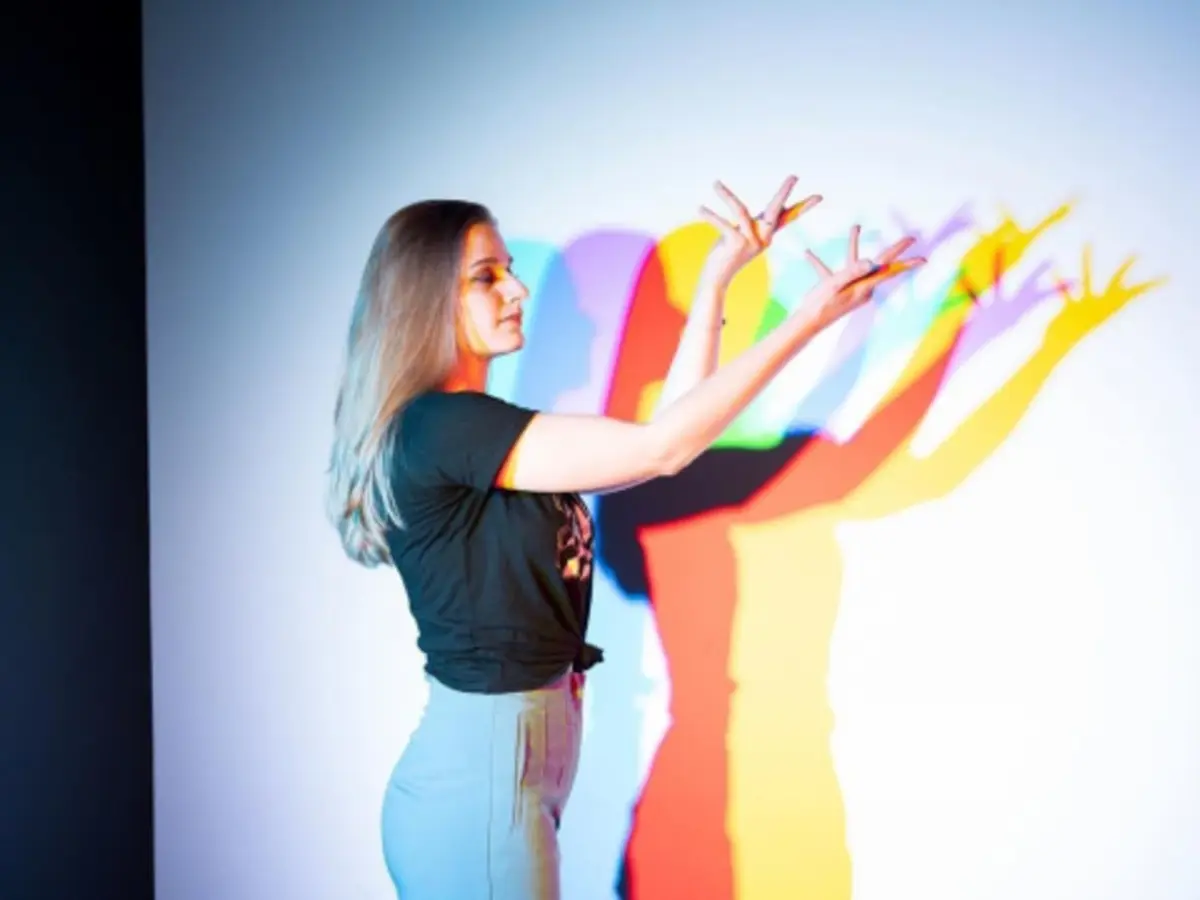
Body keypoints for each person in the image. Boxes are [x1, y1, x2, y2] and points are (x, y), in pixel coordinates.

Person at [324, 175, 924, 900]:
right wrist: (806, 321)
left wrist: (718, 278)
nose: (517, 289)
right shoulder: (445, 427)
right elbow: (663, 448)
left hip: (506, 773)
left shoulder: (470, 429)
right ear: (425, 299)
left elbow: (670, 434)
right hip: (478, 783)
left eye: (509, 269)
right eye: (487, 276)